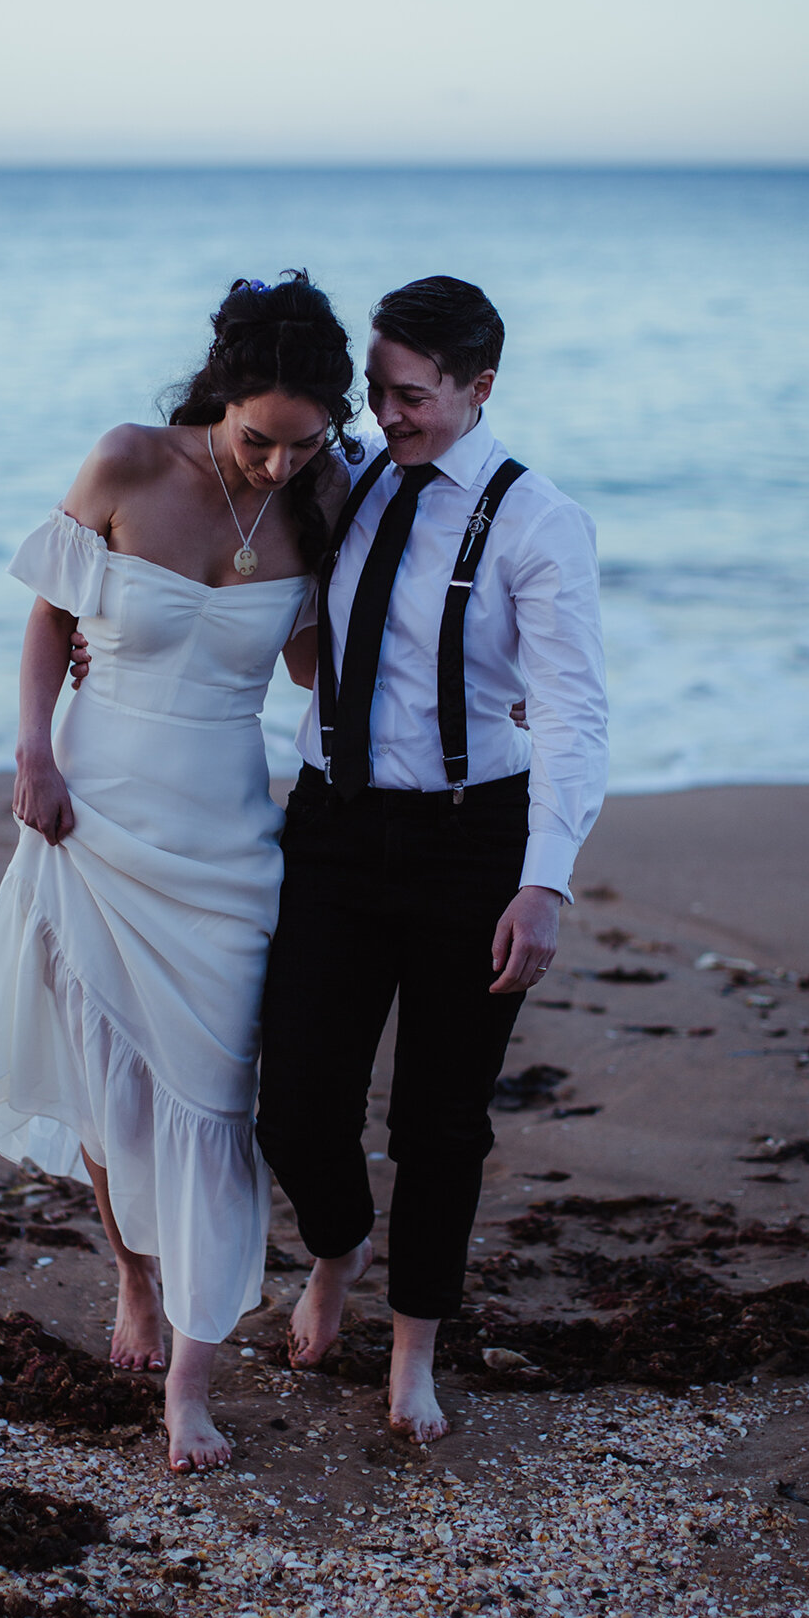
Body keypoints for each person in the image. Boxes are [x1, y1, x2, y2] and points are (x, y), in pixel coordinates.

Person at [0, 274, 357, 1473]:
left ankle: (190, 1379)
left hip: (230, 841)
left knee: (215, 1101)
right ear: (219, 393)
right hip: (93, 813)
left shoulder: (324, 491)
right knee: (104, 1076)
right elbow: (45, 617)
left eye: (305, 440)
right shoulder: (128, 462)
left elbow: (299, 670)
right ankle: (132, 1271)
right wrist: (32, 749)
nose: (279, 464)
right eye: (257, 438)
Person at [257, 275, 608, 1443]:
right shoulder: (344, 483)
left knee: (441, 1120)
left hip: (471, 842)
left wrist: (544, 877)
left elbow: (570, 715)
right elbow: (277, 622)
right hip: (333, 829)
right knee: (294, 1101)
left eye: (412, 396)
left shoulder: (537, 521)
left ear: (479, 387)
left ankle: (413, 1351)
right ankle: (338, 1243)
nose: (388, 413)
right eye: (379, 389)